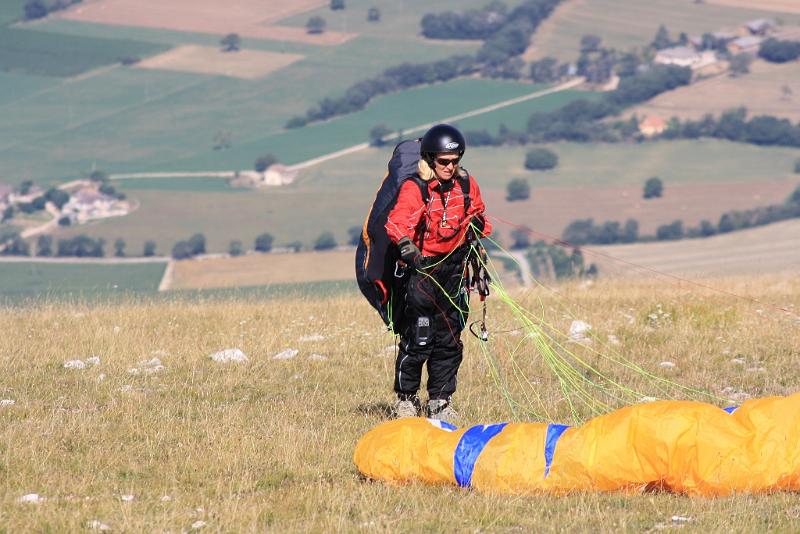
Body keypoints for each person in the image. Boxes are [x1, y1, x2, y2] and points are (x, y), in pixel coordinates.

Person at [384, 124, 492, 423]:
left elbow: (479, 213)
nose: (450, 166)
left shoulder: (466, 185)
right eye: (444, 161)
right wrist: (407, 248)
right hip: (422, 271)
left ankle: (440, 401)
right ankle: (406, 400)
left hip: (455, 269)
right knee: (419, 337)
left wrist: (477, 226)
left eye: (455, 160)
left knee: (450, 339)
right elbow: (396, 223)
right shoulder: (415, 188)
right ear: (430, 160)